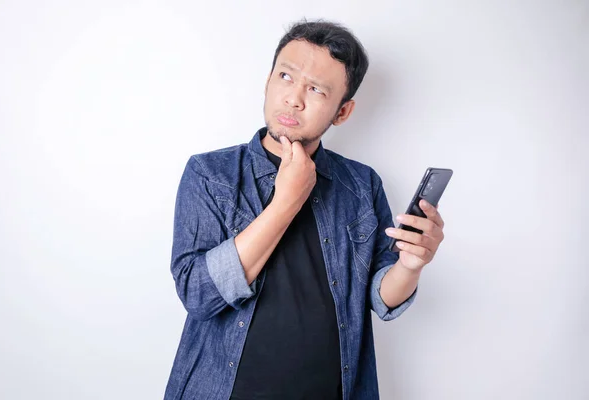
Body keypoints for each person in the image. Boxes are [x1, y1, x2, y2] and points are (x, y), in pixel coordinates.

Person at [164, 19, 446, 400]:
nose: (293, 98)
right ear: (267, 81)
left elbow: (382, 298)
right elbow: (198, 294)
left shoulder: (361, 185)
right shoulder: (211, 175)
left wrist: (411, 266)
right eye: (285, 76)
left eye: (316, 89)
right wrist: (285, 202)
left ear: (342, 112)